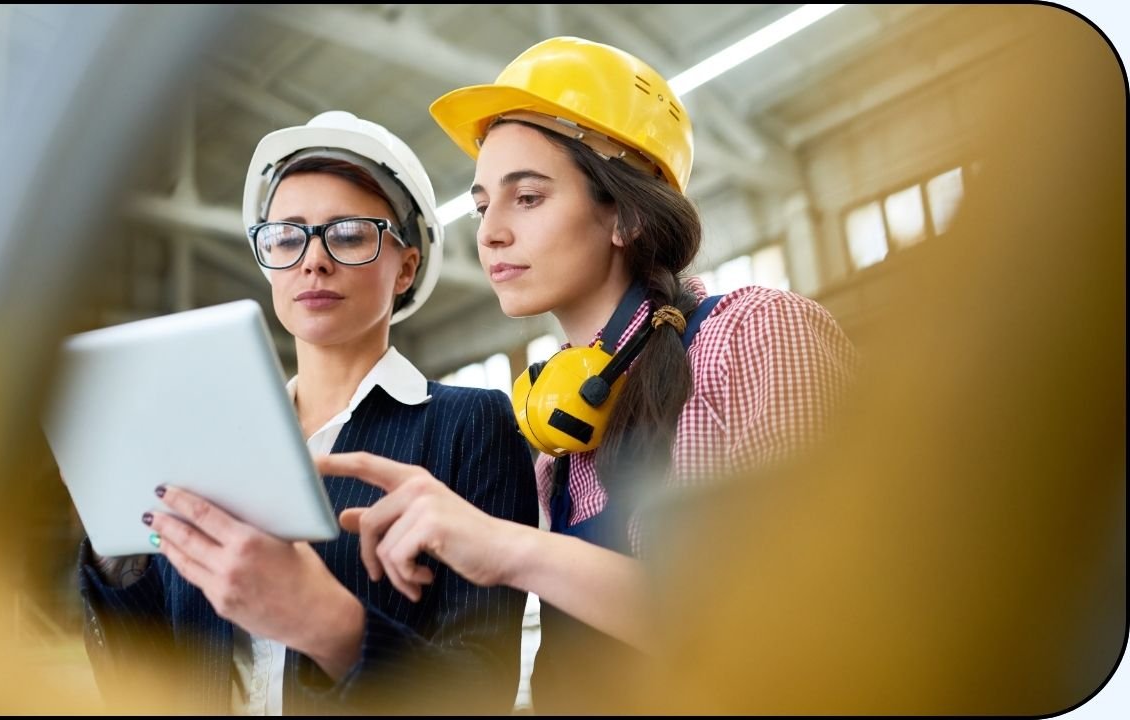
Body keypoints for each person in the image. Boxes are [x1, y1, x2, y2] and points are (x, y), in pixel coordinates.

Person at [319, 37, 859, 713]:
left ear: (625, 214)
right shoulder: (562, 442)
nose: (488, 234)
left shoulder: (752, 335)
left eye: (528, 197)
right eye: (485, 205)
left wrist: (508, 548)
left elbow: (813, 620)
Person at [75, 110, 538, 715]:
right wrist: (117, 539)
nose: (312, 261)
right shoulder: (210, 445)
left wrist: (332, 626)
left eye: (347, 234)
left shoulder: (470, 425)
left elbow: (478, 689)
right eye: (287, 237)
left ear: (406, 266)